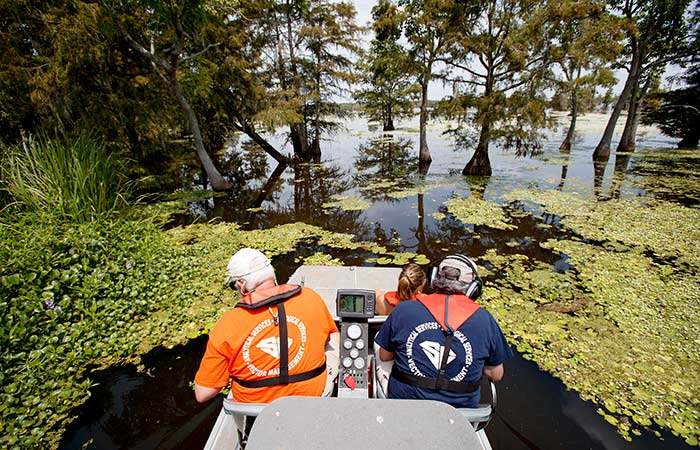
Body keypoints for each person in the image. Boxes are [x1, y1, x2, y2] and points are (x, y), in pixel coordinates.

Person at [194, 248, 340, 441]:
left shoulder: (227, 324)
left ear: (242, 285)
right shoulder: (310, 297)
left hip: (256, 415)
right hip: (313, 398)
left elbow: (203, 394)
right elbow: (333, 336)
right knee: (334, 342)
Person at [374, 254, 513, 408]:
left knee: (379, 344)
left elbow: (385, 356)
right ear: (474, 289)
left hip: (405, 406)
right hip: (461, 414)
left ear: (434, 278)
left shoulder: (403, 310)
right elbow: (496, 374)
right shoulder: (485, 319)